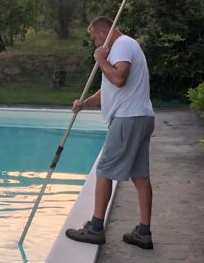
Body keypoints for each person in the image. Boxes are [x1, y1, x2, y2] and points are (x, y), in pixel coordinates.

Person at [65, 16, 155, 250]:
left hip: (128, 118)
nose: (95, 43)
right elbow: (108, 90)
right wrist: (84, 104)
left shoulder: (122, 45)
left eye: (95, 37)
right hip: (140, 116)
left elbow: (118, 78)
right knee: (140, 175)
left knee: (104, 170)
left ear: (104, 32)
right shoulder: (124, 47)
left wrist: (101, 59)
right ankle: (143, 232)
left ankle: (95, 228)